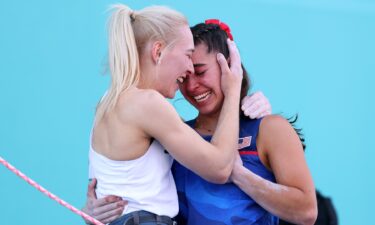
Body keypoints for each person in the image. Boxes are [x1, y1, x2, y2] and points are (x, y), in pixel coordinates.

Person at [84, 18, 317, 225]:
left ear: (229, 66)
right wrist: (95, 210)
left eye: (201, 71)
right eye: (185, 77)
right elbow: (134, 187)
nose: (192, 86)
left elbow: (307, 212)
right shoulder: (172, 134)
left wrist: (241, 175)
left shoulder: (268, 128)